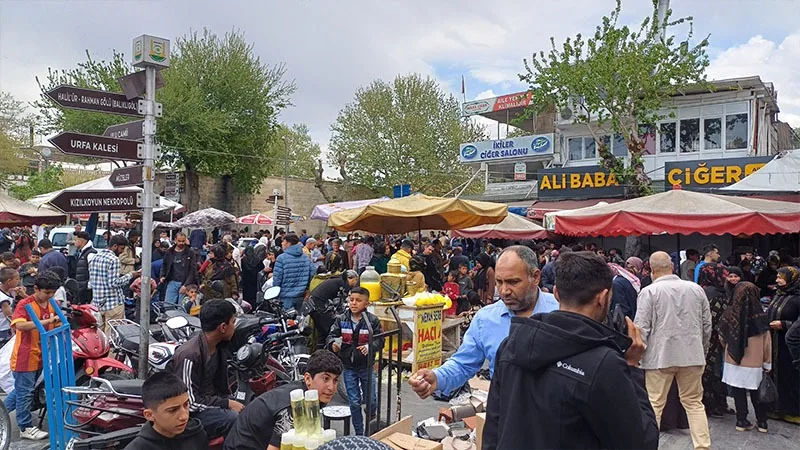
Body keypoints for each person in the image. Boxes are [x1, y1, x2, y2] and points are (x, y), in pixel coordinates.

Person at [483, 251, 658, 449]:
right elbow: (643, 442)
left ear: (556, 293)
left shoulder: (511, 344)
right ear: (603, 297)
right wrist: (632, 367)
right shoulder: (604, 364)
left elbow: (493, 428)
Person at [409, 246, 559, 398]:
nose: (504, 291)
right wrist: (437, 378)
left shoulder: (560, 311)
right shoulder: (485, 319)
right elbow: (463, 364)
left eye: (513, 282)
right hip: (504, 408)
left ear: (536, 277)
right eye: (499, 282)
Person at [634, 251, 712, 450]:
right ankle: (703, 446)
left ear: (652, 270)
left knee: (654, 404)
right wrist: (701, 350)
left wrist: (638, 357)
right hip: (692, 355)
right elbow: (707, 325)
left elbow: (641, 328)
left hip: (659, 357)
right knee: (694, 403)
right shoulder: (696, 289)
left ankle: (648, 445)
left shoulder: (649, 292)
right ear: (672, 267)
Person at [222, 350, 343, 450]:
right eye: (325, 379)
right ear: (308, 379)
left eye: (335, 380)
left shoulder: (306, 393)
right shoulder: (295, 406)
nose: (331, 387)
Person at [170, 299, 241, 439]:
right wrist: (226, 403)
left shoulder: (219, 345)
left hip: (211, 402)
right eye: (233, 322)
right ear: (223, 327)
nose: (234, 327)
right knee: (233, 418)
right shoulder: (189, 355)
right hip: (191, 414)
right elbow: (189, 403)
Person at [4, 272, 61, 440]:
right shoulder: (25, 304)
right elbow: (19, 325)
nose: (50, 296)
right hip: (25, 356)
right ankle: (25, 427)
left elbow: (58, 322)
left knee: (22, 391)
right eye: (47, 292)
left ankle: (2, 414)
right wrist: (46, 322)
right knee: (25, 393)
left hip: (41, 355)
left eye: (53, 293)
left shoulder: (52, 304)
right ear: (36, 289)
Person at [327, 287, 383, 435]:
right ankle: (359, 433)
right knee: (354, 402)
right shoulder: (341, 319)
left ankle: (371, 419)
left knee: (371, 400)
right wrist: (333, 344)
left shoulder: (372, 321)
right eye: (351, 300)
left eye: (358, 300)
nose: (353, 303)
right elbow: (331, 335)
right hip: (348, 367)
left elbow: (380, 340)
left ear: (367, 304)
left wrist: (370, 347)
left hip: (366, 366)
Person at [718, 281, 771, 433]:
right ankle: (762, 422)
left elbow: (722, 336)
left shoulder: (729, 313)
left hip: (733, 359)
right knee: (756, 391)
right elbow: (767, 342)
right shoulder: (760, 317)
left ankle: (741, 420)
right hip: (755, 362)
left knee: (738, 391)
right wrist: (767, 362)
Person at [123, 372, 208, 450]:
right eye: (173, 410)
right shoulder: (138, 447)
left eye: (186, 405)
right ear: (149, 415)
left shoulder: (196, 434)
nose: (184, 416)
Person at [697, 262, 732, 417]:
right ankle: (715, 404)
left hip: (702, 338)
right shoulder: (716, 294)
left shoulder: (700, 291)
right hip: (714, 339)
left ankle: (710, 403)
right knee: (715, 371)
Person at [766, 266, 800, 423]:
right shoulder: (779, 294)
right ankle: (776, 409)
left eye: (781, 277)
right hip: (774, 342)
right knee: (776, 375)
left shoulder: (797, 298)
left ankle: (793, 411)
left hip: (790, 346)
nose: (777, 280)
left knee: (790, 376)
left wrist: (784, 324)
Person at [89, 235, 141, 333]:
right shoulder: (114, 260)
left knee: (100, 334)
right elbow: (114, 283)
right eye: (121, 248)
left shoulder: (95, 257)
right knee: (113, 335)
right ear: (115, 246)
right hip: (113, 303)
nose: (122, 252)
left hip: (97, 302)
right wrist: (131, 275)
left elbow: (92, 280)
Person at [309, 270, 359, 349]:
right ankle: (326, 351)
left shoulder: (338, 280)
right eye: (356, 280)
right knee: (330, 330)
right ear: (352, 279)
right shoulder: (344, 284)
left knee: (322, 332)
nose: (356, 283)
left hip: (313, 305)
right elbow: (341, 302)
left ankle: (320, 350)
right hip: (319, 307)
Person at [272, 233, 315, 311]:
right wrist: (306, 288)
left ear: (288, 243)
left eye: (283, 241)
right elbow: (312, 273)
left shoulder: (281, 258)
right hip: (301, 295)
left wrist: (275, 294)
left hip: (286, 296)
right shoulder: (306, 258)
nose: (282, 243)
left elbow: (277, 279)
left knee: (286, 317)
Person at [160, 232, 200, 304]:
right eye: (179, 241)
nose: (181, 243)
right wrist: (162, 276)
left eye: (183, 241)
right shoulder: (170, 251)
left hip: (185, 282)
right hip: (172, 281)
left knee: (182, 306)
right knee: (168, 305)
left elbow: (193, 270)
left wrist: (186, 285)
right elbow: (164, 264)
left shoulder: (190, 252)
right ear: (175, 240)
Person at [74, 231, 96, 304]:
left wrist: (88, 286)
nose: (74, 242)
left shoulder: (90, 254)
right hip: (81, 288)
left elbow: (93, 272)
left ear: (81, 241)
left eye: (76, 240)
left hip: (87, 291)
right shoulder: (82, 252)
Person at [0, 267, 21, 345]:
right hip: (3, 328)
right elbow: (9, 316)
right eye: (17, 279)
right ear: (9, 281)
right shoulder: (3, 299)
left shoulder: (8, 290)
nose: (19, 281)